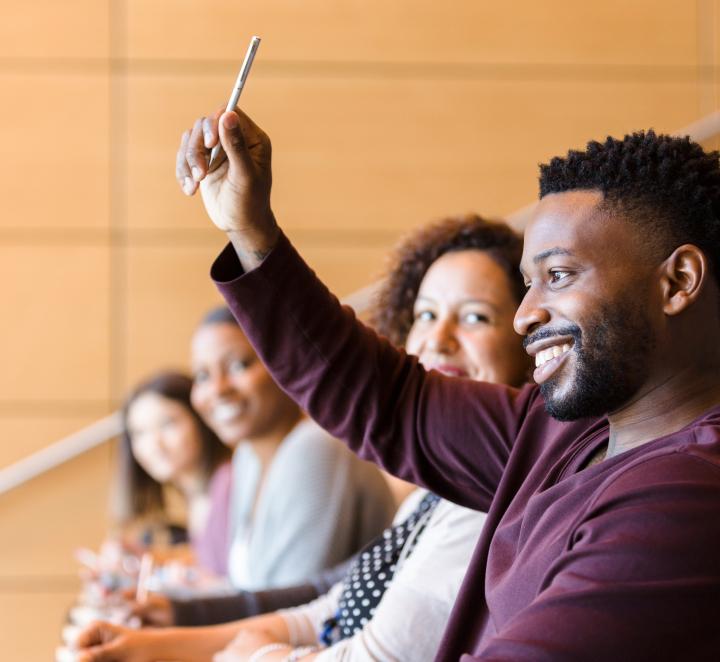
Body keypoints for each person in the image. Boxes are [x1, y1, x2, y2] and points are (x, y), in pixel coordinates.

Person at [168, 109, 720, 660]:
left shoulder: (686, 497)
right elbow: (384, 397)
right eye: (528, 284)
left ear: (678, 282)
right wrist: (249, 228)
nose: (526, 315)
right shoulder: (564, 430)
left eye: (558, 276)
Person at [74, 215, 532, 661]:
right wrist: (147, 645)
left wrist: (251, 653)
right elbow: (326, 605)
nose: (438, 338)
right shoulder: (430, 495)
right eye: (426, 314)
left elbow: (361, 646)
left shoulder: (488, 498)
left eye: (474, 317)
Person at [189, 306, 394, 591]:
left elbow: (287, 601)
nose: (218, 389)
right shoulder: (247, 458)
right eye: (202, 376)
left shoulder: (314, 448)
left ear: (286, 364)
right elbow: (246, 592)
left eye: (238, 366)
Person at [116, 371, 232, 576]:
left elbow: (231, 577)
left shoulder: (229, 484)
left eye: (167, 424)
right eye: (140, 433)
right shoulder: (199, 495)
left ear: (200, 420)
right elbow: (211, 560)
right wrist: (151, 559)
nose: (154, 445)